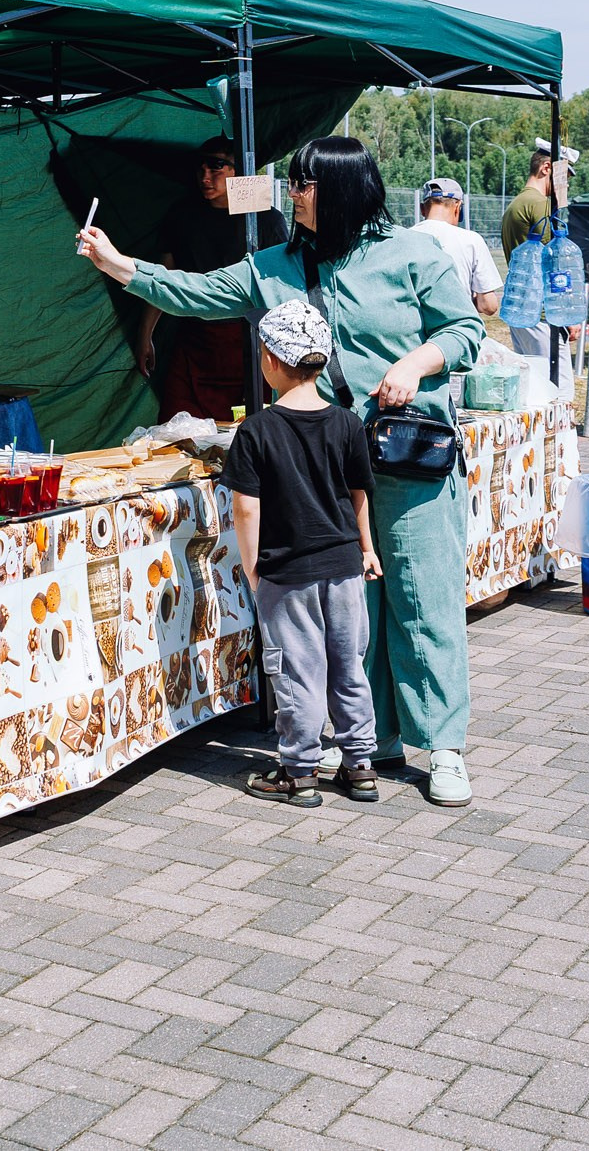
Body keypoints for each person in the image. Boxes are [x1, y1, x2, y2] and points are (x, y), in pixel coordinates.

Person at [76, 135, 485, 807]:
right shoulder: (275, 265)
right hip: (329, 472)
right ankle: (373, 739)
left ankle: (444, 746)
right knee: (358, 613)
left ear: (343, 189)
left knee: (424, 598)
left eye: (304, 184)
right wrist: (119, 265)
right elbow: (197, 291)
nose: (291, 193)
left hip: (409, 460)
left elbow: (465, 331)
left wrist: (416, 364)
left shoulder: (415, 255)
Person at [225, 300, 380, 809]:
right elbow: (359, 492)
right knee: (348, 666)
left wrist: (252, 568)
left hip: (287, 572)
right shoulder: (348, 423)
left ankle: (300, 772)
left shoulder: (255, 430)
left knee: (298, 672)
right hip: (345, 568)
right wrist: (367, 548)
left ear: (270, 359)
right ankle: (360, 765)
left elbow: (246, 509)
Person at [138, 138, 252, 420]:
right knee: (174, 429)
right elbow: (163, 279)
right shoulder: (181, 215)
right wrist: (145, 335)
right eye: (200, 168)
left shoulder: (263, 219)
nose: (205, 177)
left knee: (245, 430)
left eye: (216, 167)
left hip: (246, 344)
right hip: (194, 340)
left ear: (238, 170)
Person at [499, 146, 581, 385]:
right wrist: (568, 315)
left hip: (521, 311)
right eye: (564, 176)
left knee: (534, 387)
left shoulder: (517, 203)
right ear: (547, 168)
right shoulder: (540, 204)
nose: (566, 185)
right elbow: (555, 263)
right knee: (559, 390)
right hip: (543, 314)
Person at [411, 177, 501, 319]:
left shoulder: (405, 238)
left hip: (416, 327)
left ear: (422, 209)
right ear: (458, 207)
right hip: (458, 326)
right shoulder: (472, 240)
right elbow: (489, 306)